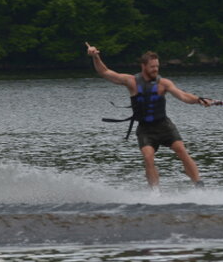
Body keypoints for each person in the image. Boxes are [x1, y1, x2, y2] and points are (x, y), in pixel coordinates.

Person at [86, 42, 213, 189]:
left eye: (157, 66)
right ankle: (155, 193)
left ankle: (199, 185)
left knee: (181, 151)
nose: (156, 69)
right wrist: (95, 56)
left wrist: (199, 100)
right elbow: (105, 72)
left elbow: (183, 96)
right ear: (144, 66)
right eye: (152, 67)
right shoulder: (131, 81)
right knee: (148, 157)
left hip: (164, 125)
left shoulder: (164, 83)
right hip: (145, 129)